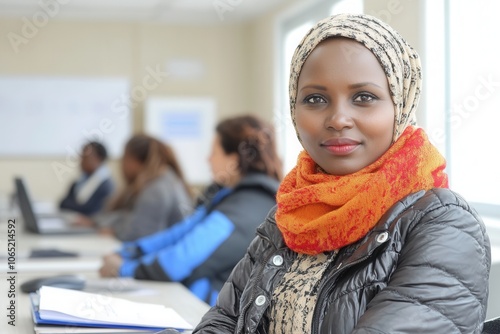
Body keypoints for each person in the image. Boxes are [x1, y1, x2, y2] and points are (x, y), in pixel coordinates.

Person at [193, 14, 491, 333]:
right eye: (315, 99)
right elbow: (225, 319)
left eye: (364, 97)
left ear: (400, 106)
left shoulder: (444, 224)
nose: (338, 119)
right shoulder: (290, 215)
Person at [99, 115, 282, 306]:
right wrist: (129, 252)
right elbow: (181, 232)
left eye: (214, 152)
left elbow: (178, 262)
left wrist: (124, 269)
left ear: (234, 161)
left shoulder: (245, 206)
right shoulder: (231, 195)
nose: (208, 159)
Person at [76, 134, 193, 241]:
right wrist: (96, 222)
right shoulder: (160, 180)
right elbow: (126, 216)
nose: (121, 165)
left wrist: (114, 232)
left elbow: (141, 235)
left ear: (134, 161)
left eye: (124, 158)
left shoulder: (156, 189)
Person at [59, 141, 114, 215]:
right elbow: (63, 203)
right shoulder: (79, 181)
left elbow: (89, 210)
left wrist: (74, 206)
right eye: (81, 156)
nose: (81, 160)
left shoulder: (106, 186)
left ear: (98, 159)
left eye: (85, 157)